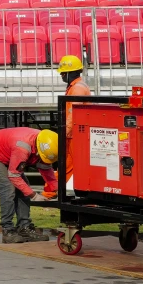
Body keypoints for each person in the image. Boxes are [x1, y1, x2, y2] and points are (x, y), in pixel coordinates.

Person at [0, 127, 59, 244]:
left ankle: (24, 228)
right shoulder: (22, 147)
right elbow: (14, 176)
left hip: (6, 150)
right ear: (39, 149)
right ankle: (7, 230)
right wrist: (34, 196)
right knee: (8, 188)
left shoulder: (45, 144)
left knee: (23, 187)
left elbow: (46, 168)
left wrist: (57, 189)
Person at [57, 54, 90, 189]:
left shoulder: (77, 88)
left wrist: (65, 132)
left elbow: (72, 113)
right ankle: (60, 190)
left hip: (75, 134)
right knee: (68, 164)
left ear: (70, 73)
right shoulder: (75, 86)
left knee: (69, 164)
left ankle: (58, 190)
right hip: (75, 133)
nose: (62, 76)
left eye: (63, 73)